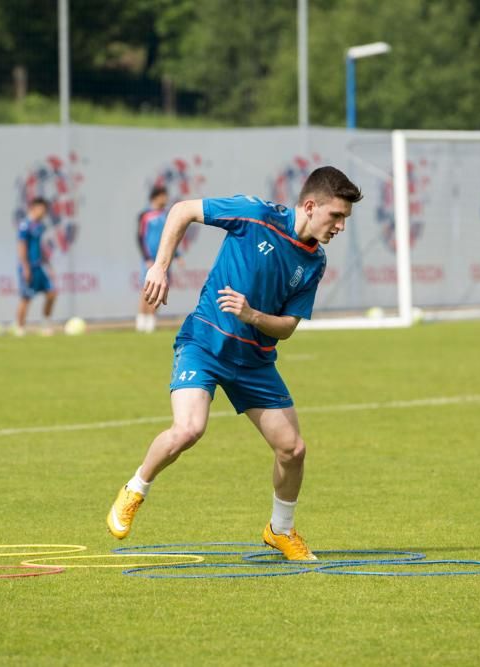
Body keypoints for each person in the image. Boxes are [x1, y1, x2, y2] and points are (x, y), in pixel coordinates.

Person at [106, 166, 362, 561]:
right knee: (189, 429)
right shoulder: (254, 214)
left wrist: (252, 316)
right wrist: (159, 265)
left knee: (293, 450)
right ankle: (135, 489)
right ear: (310, 206)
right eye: (336, 216)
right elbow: (183, 210)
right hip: (204, 344)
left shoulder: (315, 262)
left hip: (254, 361)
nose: (341, 225)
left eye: (345, 218)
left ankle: (280, 530)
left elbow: (287, 328)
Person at [15, 197, 58, 336]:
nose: (44, 212)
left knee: (52, 293)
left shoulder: (40, 226)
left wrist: (49, 267)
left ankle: (45, 323)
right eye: (42, 209)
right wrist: (25, 266)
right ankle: (19, 327)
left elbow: (41, 247)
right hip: (29, 266)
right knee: (26, 298)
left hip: (40, 266)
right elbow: (22, 246)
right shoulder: (25, 225)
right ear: (34, 208)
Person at [136, 185, 170, 333]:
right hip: (150, 260)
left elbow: (171, 237)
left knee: (160, 289)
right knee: (147, 289)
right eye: (163, 196)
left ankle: (151, 321)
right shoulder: (145, 215)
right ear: (156, 197)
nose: (166, 199)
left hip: (164, 260)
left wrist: (177, 255)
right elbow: (140, 237)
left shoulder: (167, 215)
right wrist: (147, 257)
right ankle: (142, 319)